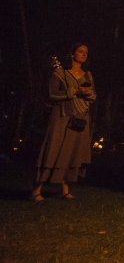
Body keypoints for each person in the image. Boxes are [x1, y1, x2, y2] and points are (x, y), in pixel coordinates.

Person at [32, 43, 96, 201]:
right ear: (72, 54)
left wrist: (87, 93)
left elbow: (94, 96)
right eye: (80, 51)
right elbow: (52, 95)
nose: (84, 54)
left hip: (80, 117)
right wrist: (73, 91)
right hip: (62, 116)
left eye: (86, 52)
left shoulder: (87, 75)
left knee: (71, 152)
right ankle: (36, 190)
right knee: (54, 149)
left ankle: (65, 189)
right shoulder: (60, 73)